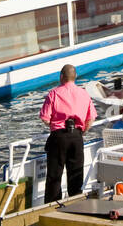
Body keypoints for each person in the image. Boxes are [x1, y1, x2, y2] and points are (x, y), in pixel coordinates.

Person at [39, 66, 97, 203]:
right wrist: (81, 131)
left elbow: (45, 118)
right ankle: (75, 205)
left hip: (58, 136)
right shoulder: (83, 94)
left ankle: (52, 206)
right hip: (77, 136)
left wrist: (54, 126)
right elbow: (91, 119)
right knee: (76, 175)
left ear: (61, 77)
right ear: (75, 77)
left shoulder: (54, 93)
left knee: (54, 175)